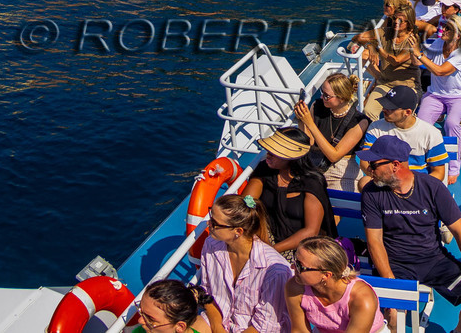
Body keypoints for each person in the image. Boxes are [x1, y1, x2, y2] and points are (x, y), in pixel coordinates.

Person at [359, 134, 461, 333]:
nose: (369, 170)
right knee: (394, 315)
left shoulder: (432, 188)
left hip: (434, 260)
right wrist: (390, 283)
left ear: (395, 165)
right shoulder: (371, 193)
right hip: (395, 264)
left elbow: (459, 231)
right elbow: (375, 242)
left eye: (374, 165)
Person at [198, 194, 293, 333]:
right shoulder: (211, 244)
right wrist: (218, 328)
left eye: (214, 223)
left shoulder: (275, 271)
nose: (208, 224)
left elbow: (266, 325)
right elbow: (207, 292)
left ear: (238, 231)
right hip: (220, 320)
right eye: (210, 217)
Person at [243, 128, 335, 252]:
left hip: (303, 246)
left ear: (292, 157)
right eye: (269, 150)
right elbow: (245, 203)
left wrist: (272, 251)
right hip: (265, 240)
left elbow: (311, 231)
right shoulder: (264, 170)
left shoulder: (311, 183)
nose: (268, 154)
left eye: (275, 152)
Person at [284, 235, 387, 333]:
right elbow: (300, 330)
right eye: (295, 260)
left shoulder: (361, 298)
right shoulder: (295, 287)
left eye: (299, 266)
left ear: (326, 275)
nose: (292, 267)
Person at [417, 13, 461, 183]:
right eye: (444, 26)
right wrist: (412, 49)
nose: (443, 30)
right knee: (421, 123)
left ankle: (454, 167)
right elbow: (419, 61)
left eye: (449, 28)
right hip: (435, 95)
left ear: (458, 35)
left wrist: (419, 55)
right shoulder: (438, 43)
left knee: (452, 123)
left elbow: (440, 71)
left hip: (459, 97)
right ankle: (423, 159)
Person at [293, 73, 370, 192]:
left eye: (326, 96)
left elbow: (334, 156)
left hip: (341, 171)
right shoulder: (317, 105)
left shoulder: (360, 121)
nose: (322, 97)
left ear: (342, 98)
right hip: (314, 164)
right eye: (322, 92)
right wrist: (301, 120)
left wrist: (310, 124)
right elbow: (310, 142)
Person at [357, 85, 447, 184]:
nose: (384, 110)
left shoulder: (431, 133)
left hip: (415, 185)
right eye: (384, 105)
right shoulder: (376, 127)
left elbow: (439, 172)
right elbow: (364, 161)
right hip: (383, 181)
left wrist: (412, 185)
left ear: (407, 112)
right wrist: (384, 179)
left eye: (390, 108)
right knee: (364, 182)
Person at [358, 0, 424, 118]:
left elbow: (396, 61)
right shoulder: (385, 32)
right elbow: (358, 37)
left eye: (400, 20)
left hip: (407, 86)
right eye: (394, 18)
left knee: (402, 115)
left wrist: (379, 49)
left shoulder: (413, 40)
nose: (395, 22)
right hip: (386, 84)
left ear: (408, 23)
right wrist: (370, 46)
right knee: (368, 111)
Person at [136, 280, 206, 333]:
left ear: (180, 327)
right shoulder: (142, 331)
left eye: (150, 319)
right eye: (140, 310)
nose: (140, 321)